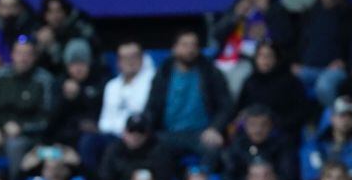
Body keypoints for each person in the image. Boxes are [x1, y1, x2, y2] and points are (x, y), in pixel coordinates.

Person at [145, 28, 233, 166]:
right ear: (174, 48)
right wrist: (146, 131)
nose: (190, 49)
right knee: (153, 151)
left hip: (202, 133)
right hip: (168, 134)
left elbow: (226, 105)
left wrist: (215, 128)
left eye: (194, 45)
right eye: (185, 45)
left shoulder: (210, 72)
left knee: (213, 150)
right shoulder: (163, 73)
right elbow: (152, 107)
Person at [210, 0, 294, 95]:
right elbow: (216, 34)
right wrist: (235, 16)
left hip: (256, 60)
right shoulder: (236, 7)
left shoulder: (276, 9)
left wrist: (267, 12)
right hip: (229, 58)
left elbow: (285, 39)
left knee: (238, 80)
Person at [0, 37, 55, 170]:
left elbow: (47, 118)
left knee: (15, 145)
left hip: (28, 135)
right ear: (12, 55)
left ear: (35, 57)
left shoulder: (44, 80)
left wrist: (22, 128)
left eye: (28, 54)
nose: (23, 58)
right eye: (19, 53)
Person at [293, 0, 352, 107]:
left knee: (324, 86)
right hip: (307, 69)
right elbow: (298, 42)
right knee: (285, 82)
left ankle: (337, 122)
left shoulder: (351, 16)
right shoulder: (308, 14)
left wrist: (345, 61)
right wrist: (294, 63)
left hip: (334, 70)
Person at [235, 41, 309, 143]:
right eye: (261, 56)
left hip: (281, 133)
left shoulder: (290, 82)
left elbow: (300, 112)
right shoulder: (250, 81)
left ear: (276, 58)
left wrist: (275, 124)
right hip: (251, 134)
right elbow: (240, 108)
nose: (264, 60)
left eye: (269, 56)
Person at [223, 105, 298, 180]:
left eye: (263, 125)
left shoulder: (282, 145)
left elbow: (287, 177)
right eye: (253, 124)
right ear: (245, 126)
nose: (258, 130)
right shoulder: (237, 145)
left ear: (271, 126)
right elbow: (229, 176)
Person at [97, 41, 156, 139]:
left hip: (138, 135)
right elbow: (104, 120)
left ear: (142, 58)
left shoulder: (152, 81)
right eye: (125, 58)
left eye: (133, 57)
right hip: (112, 135)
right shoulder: (111, 86)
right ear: (118, 62)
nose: (130, 62)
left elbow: (145, 114)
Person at [304, 98, 352, 180]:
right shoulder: (316, 143)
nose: (346, 120)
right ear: (332, 118)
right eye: (342, 115)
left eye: (351, 116)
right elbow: (311, 174)